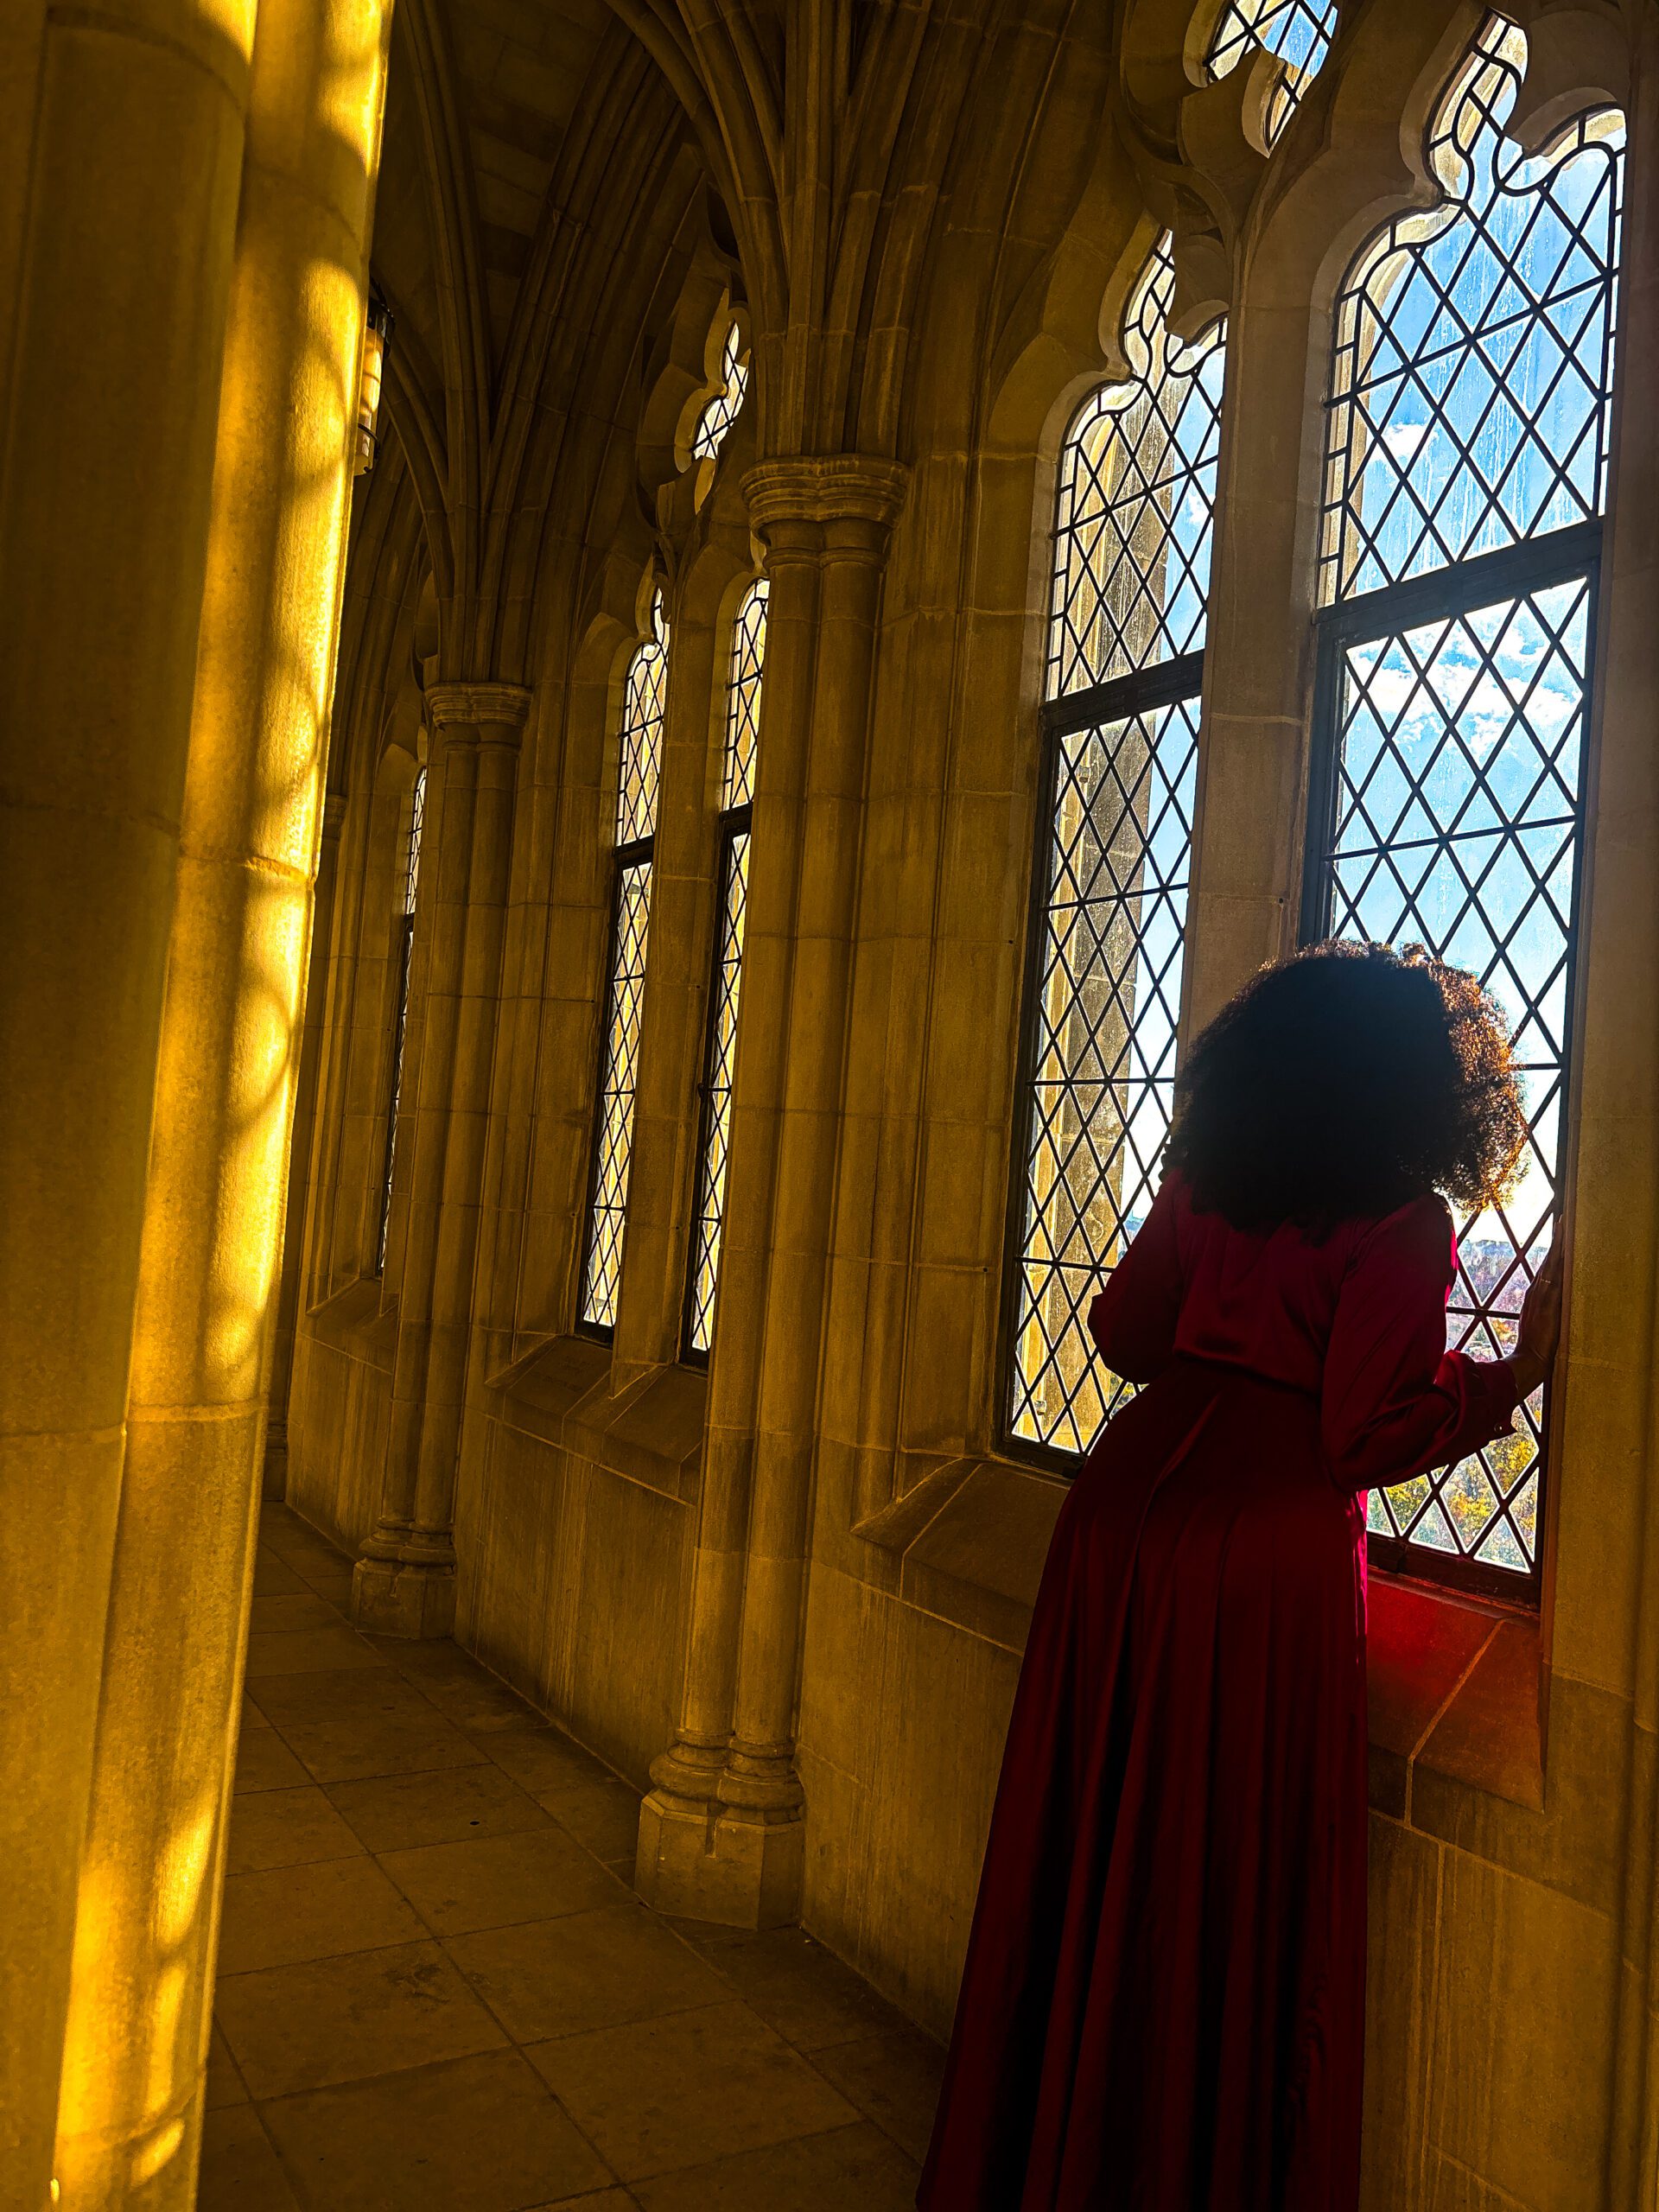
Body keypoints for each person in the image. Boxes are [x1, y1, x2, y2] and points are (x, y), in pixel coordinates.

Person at [918, 940, 1564, 2212]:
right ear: (1420, 1087)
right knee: (1216, 1863)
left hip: (1121, 1512)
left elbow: (1122, 1334)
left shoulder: (1207, 1181)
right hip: (1259, 1550)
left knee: (1098, 1828)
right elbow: (1365, 1435)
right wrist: (1515, 1377)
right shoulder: (1401, 1218)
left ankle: (1054, 2144)